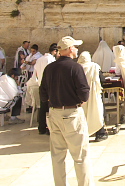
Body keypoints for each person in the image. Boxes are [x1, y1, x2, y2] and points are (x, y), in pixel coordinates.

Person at [39, 36, 93, 186]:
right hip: (72, 114)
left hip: (54, 114)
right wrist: (79, 101)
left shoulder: (49, 68)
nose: (77, 49)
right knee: (80, 155)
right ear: (69, 49)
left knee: (57, 156)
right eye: (75, 47)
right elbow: (84, 93)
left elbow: (43, 93)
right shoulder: (76, 68)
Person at [26, 43, 58, 134]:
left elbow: (35, 73)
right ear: (55, 51)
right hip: (49, 86)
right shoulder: (51, 60)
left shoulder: (40, 59)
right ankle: (48, 128)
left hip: (41, 85)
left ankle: (42, 128)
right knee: (50, 108)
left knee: (43, 108)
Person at [78, 51, 107, 142]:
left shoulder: (77, 68)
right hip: (94, 94)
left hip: (81, 96)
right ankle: (100, 134)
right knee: (96, 113)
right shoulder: (94, 67)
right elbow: (102, 79)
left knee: (83, 115)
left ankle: (82, 135)